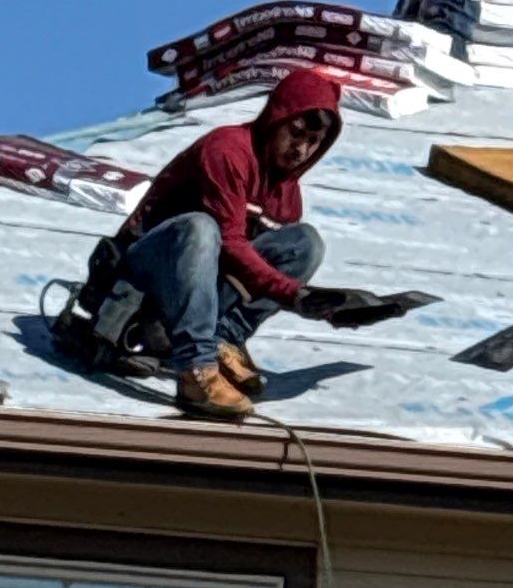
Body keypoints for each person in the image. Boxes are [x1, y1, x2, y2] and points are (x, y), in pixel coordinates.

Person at [110, 69, 344, 419]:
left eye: (313, 142)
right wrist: (293, 294)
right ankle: (196, 367)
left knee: (305, 243)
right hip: (143, 276)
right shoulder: (229, 150)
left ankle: (224, 339)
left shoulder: (287, 195)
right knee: (202, 228)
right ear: (274, 119)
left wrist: (327, 306)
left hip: (199, 290)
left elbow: (249, 267)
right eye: (295, 133)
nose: (301, 149)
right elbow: (230, 242)